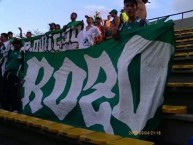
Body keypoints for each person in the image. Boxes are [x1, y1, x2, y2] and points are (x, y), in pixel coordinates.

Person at [1, 38, 23, 112]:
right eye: (15, 44)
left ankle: (14, 108)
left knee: (14, 91)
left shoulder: (22, 53)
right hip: (7, 73)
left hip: (15, 75)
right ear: (13, 45)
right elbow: (3, 53)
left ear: (20, 45)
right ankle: (5, 106)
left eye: (18, 44)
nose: (17, 45)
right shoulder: (10, 52)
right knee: (5, 90)